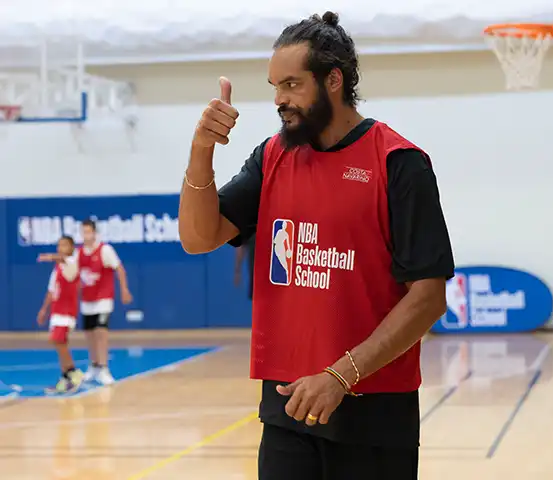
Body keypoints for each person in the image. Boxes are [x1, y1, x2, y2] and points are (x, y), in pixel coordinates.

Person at [178, 11, 454, 480]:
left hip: (374, 418)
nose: (280, 101)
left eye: (291, 85)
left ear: (333, 80)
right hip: (286, 412)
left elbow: (427, 298)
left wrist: (340, 376)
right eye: (274, 88)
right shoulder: (273, 156)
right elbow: (198, 238)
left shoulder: (399, 164)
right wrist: (202, 148)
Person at [77, 219, 133, 385]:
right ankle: (93, 365)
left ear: (94, 233)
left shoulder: (105, 250)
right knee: (89, 334)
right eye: (83, 232)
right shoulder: (79, 253)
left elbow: (120, 269)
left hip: (103, 298)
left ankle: (104, 368)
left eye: (88, 232)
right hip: (87, 299)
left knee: (101, 332)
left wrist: (124, 289)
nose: (85, 235)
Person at [36, 236, 85, 394]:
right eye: (58, 245)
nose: (60, 248)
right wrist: (44, 309)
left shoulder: (72, 263)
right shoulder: (56, 269)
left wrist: (49, 257)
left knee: (58, 339)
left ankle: (73, 373)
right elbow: (51, 291)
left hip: (67, 311)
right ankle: (66, 376)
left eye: (64, 245)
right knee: (58, 342)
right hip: (56, 310)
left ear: (71, 248)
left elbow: (64, 260)